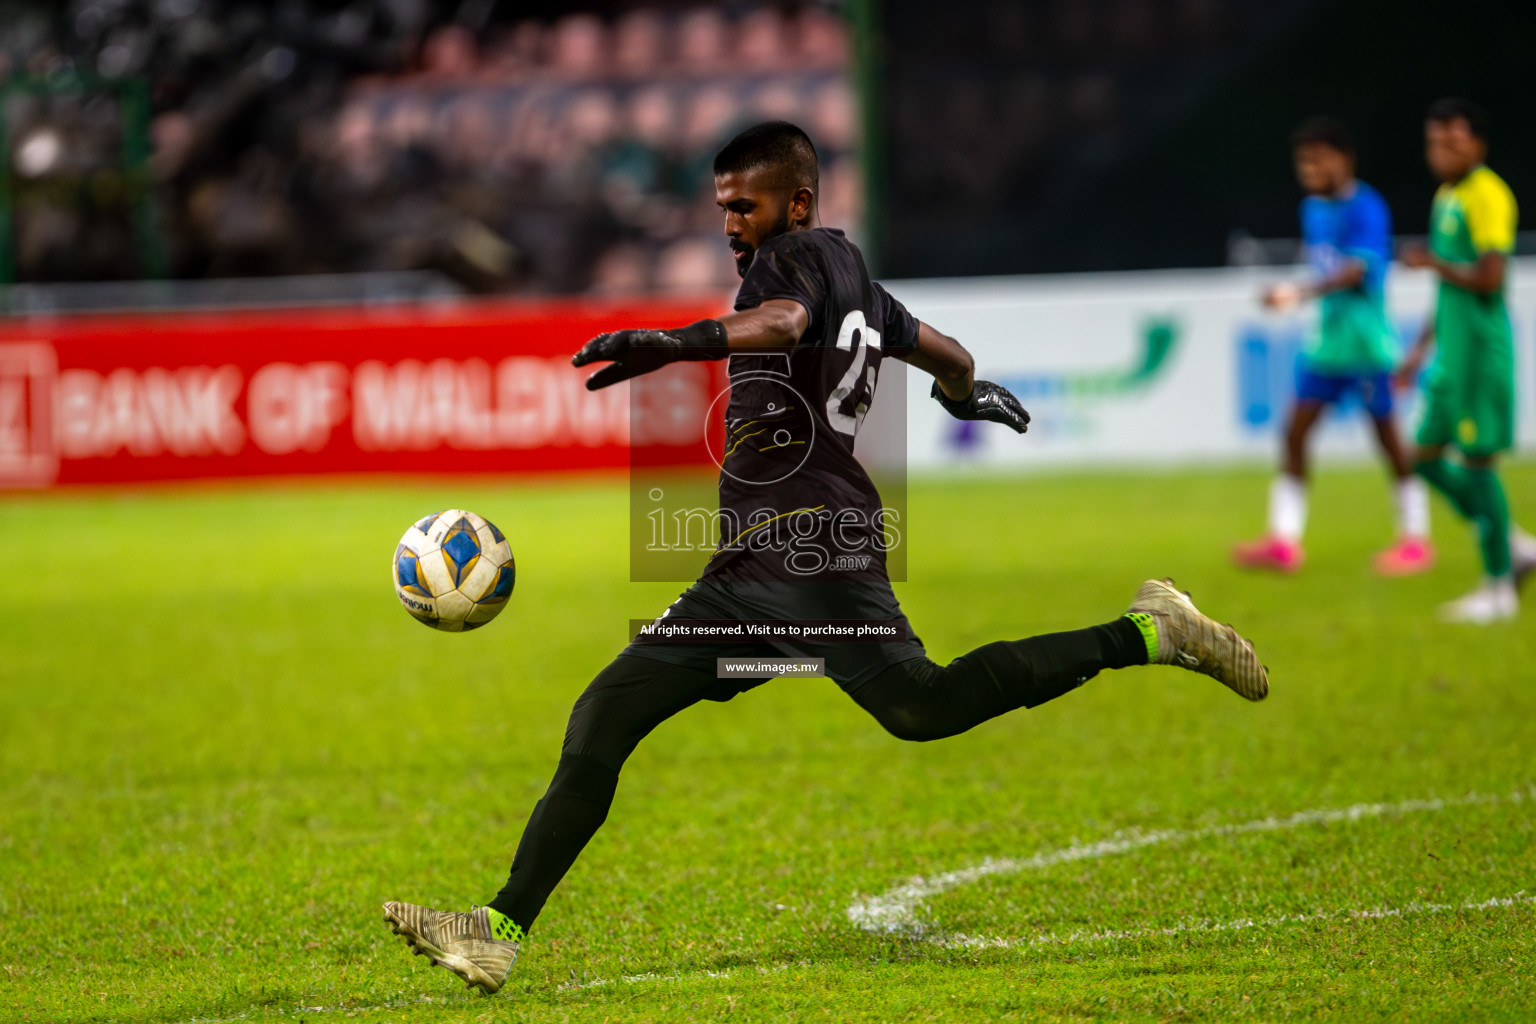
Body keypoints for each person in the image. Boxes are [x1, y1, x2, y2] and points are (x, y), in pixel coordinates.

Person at [381, 122, 1270, 995]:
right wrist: (966, 396)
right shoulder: (860, 279)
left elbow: (782, 319)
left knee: (922, 707)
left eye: (746, 206)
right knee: (606, 713)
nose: (732, 224)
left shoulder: (791, 262)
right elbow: (947, 355)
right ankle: (496, 931)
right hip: (747, 571)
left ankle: (1150, 631)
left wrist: (676, 343)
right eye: (723, 208)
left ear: (796, 202)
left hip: (813, 553)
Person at [1234, 117, 1431, 575]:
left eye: (1316, 158)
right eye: (1302, 160)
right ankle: (1284, 540)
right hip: (1325, 346)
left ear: (1343, 159)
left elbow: (1357, 271)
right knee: (1295, 431)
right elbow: (1330, 268)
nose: (1308, 168)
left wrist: (1296, 293)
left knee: (1387, 437)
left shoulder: (1366, 206)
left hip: (1365, 346)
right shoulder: (1314, 209)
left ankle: (1416, 539)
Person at [1398, 99, 1536, 623]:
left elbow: (1489, 279)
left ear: (1477, 144)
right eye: (1435, 143)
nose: (1443, 153)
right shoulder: (1445, 196)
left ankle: (1498, 590)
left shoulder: (1488, 195)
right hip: (1451, 357)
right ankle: (1514, 542)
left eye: (1453, 142)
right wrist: (1415, 355)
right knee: (1424, 456)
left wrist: (1433, 261)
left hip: (1481, 354)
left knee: (1478, 464)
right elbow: (1447, 290)